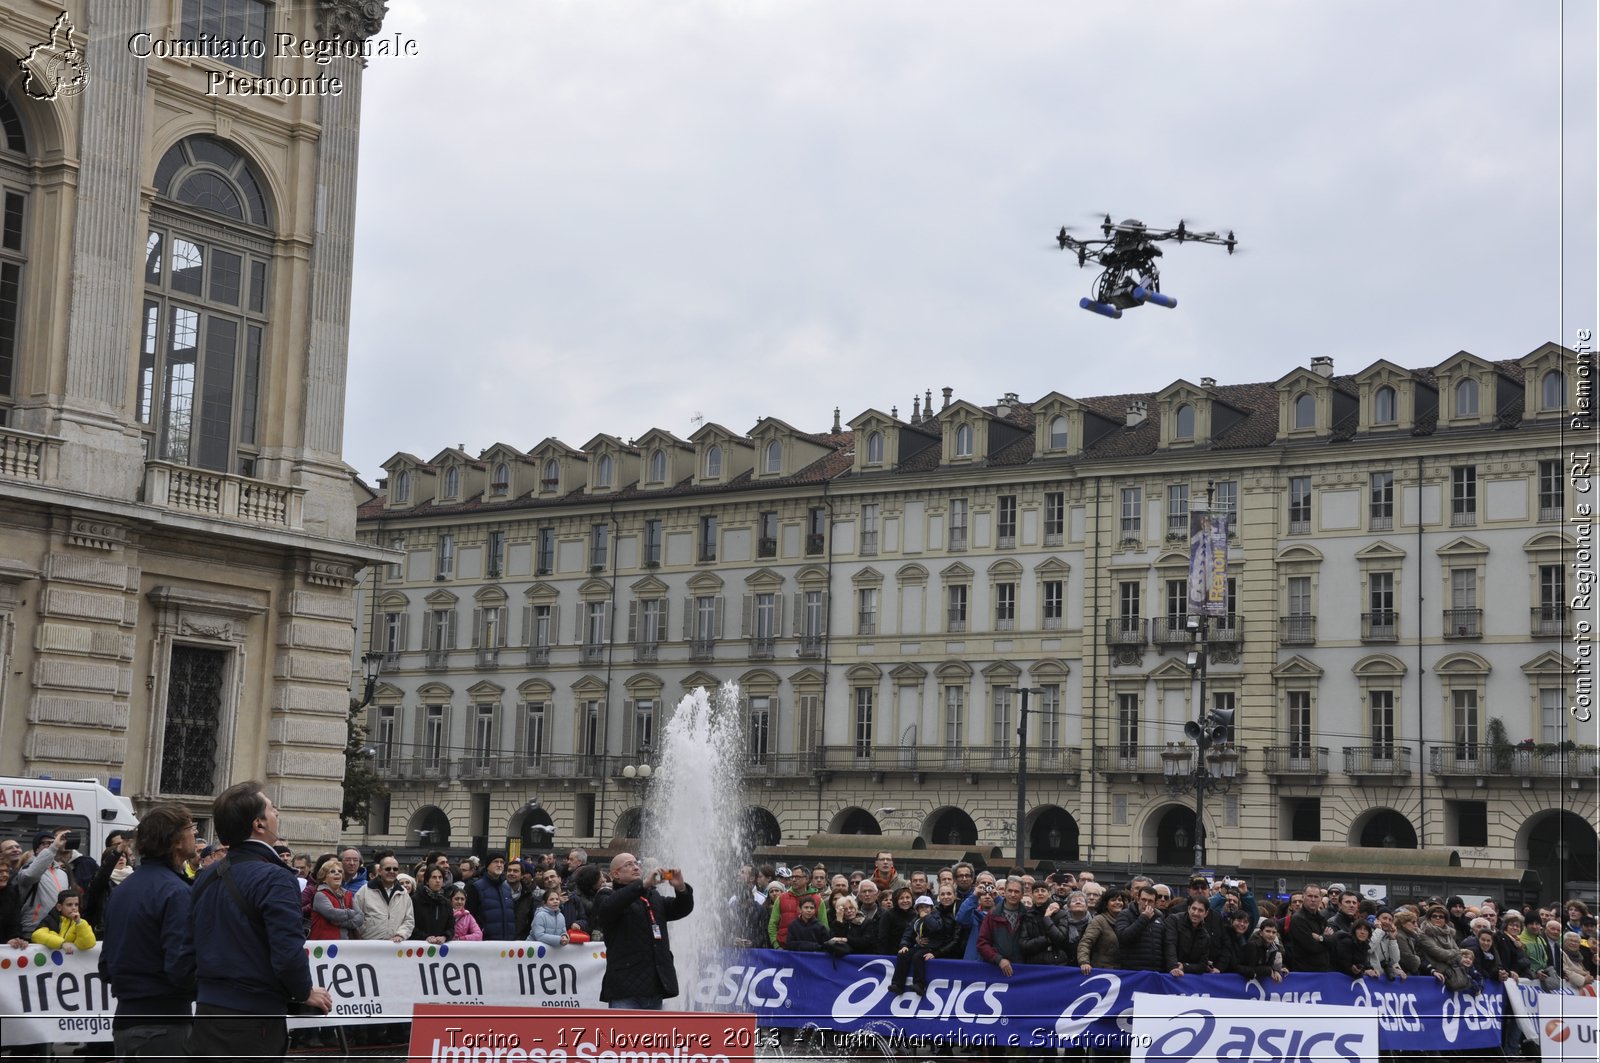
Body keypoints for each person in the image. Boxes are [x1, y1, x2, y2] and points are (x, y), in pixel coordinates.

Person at [187, 781, 331, 1059]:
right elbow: (287, 951)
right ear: (259, 824)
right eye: (272, 809)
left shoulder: (208, 875)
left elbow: (188, 943)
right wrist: (304, 991)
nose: (277, 813)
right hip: (253, 1019)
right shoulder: (276, 877)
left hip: (207, 1012)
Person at [99, 803, 199, 1061]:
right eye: (191, 828)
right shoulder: (176, 892)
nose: (195, 833)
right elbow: (181, 965)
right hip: (164, 1025)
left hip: (127, 1021)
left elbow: (106, 965)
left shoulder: (124, 889)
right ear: (175, 841)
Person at [596, 853, 693, 1010]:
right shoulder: (606, 894)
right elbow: (610, 907)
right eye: (628, 865)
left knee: (652, 1035)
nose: (635, 867)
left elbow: (680, 909)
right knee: (624, 1034)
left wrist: (681, 888)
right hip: (624, 987)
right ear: (616, 874)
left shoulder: (652, 896)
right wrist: (643, 884)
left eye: (636, 863)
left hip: (655, 985)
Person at [889, 895, 945, 993]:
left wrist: (926, 917)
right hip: (918, 946)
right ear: (917, 910)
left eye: (927, 907)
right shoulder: (915, 920)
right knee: (902, 955)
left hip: (932, 946)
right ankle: (897, 984)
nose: (924, 910)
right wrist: (904, 945)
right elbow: (908, 933)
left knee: (918, 956)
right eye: (921, 907)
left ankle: (919, 985)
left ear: (931, 908)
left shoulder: (936, 917)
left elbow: (935, 927)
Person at [356, 852, 415, 943]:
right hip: (369, 945)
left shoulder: (404, 893)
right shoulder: (364, 891)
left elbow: (409, 920)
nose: (392, 871)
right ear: (379, 871)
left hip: (395, 946)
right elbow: (356, 916)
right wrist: (364, 933)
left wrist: (401, 934)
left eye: (395, 869)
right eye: (388, 869)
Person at [308, 856, 364, 940]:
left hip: (345, 942)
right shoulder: (320, 895)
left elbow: (360, 916)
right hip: (324, 944)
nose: (337, 873)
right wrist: (351, 913)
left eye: (340, 871)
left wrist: (342, 923)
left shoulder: (348, 894)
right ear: (324, 878)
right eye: (332, 871)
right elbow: (333, 914)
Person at [466, 851, 517, 940]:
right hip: (486, 942)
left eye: (502, 862)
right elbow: (470, 916)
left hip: (507, 943)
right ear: (488, 865)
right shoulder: (476, 887)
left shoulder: (506, 888)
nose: (499, 865)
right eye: (496, 862)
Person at [1078, 889, 1125, 973]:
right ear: (1106, 904)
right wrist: (1084, 962)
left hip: (1123, 971)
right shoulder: (1099, 920)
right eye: (1113, 900)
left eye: (1120, 900)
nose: (1118, 902)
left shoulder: (1126, 920)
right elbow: (1086, 942)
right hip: (1101, 970)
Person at [412, 866, 454, 944]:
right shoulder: (416, 900)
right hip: (419, 947)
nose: (437, 881)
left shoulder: (446, 903)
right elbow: (411, 925)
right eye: (434, 877)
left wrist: (445, 937)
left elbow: (451, 928)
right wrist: (425, 937)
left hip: (440, 948)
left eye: (440, 877)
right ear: (427, 881)